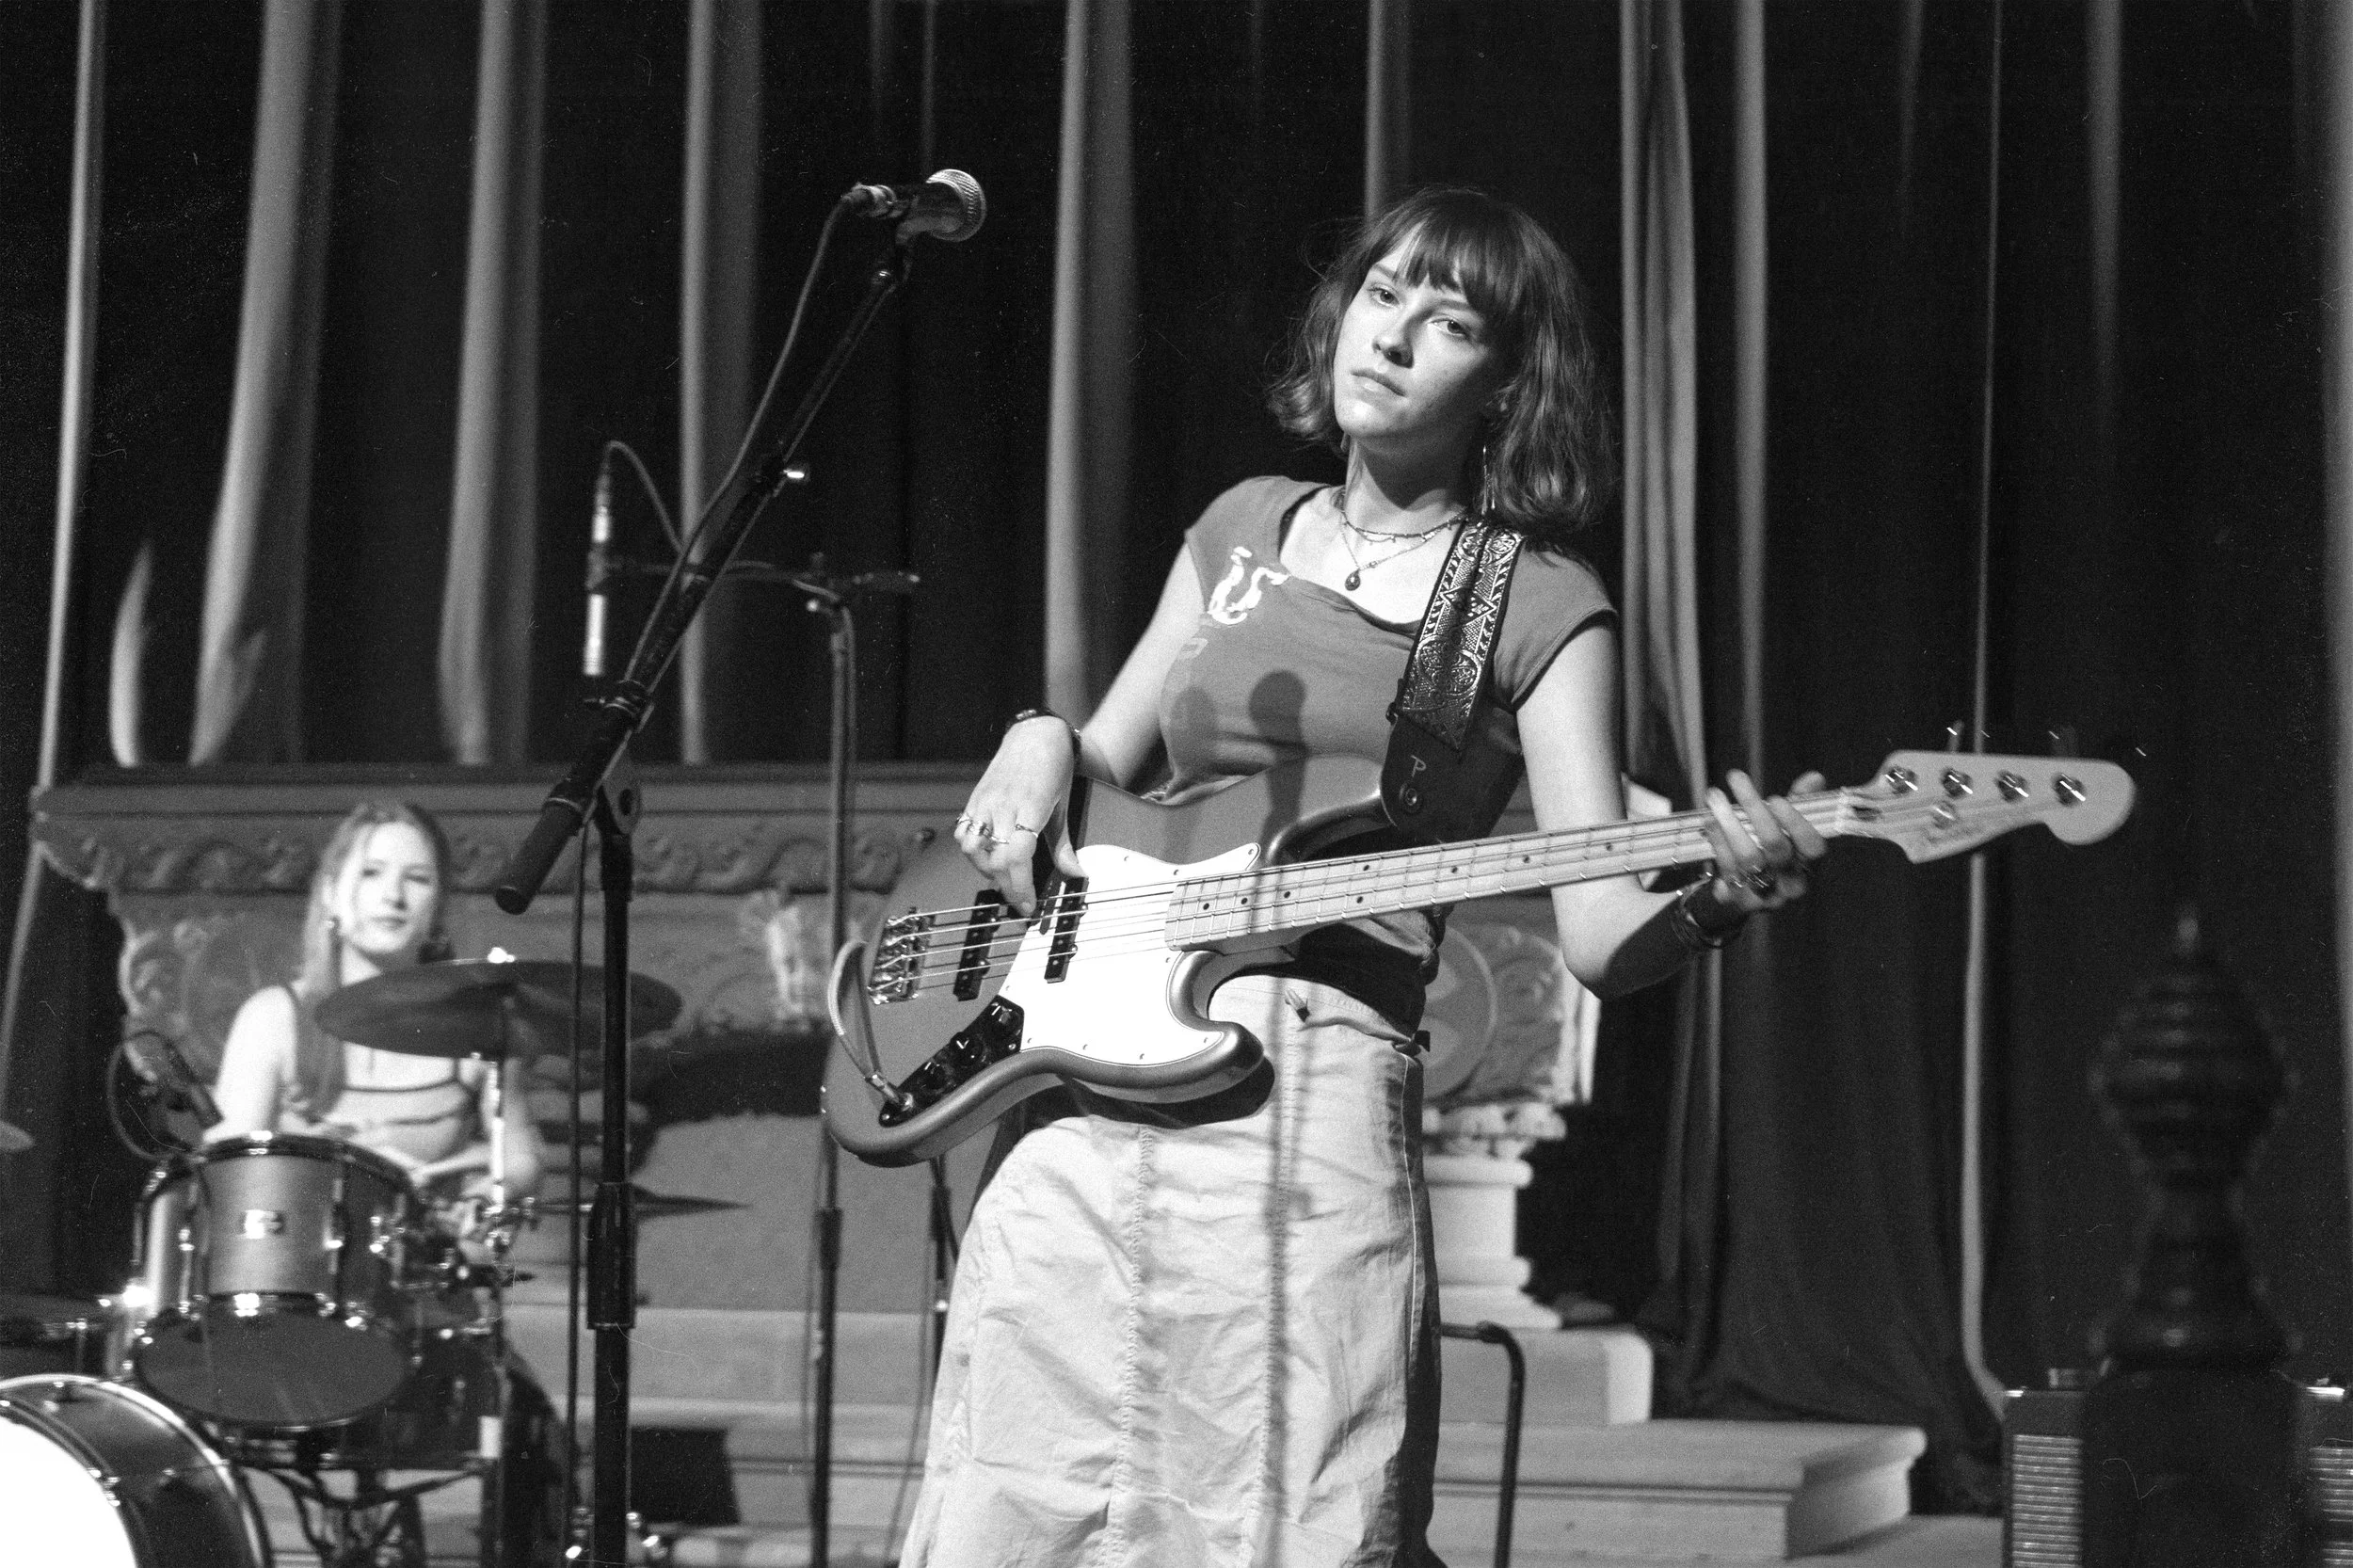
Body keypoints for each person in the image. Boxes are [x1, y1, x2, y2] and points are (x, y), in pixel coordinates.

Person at [898, 187, 1829, 1565]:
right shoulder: (1238, 525)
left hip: (1305, 1082)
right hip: (1087, 1074)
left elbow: (1597, 934)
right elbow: (1104, 753)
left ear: (1507, 383)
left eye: (1447, 322)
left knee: (1291, 1508)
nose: (1389, 335)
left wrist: (1716, 896)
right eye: (1383, 291)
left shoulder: (1538, 600)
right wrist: (1038, 740)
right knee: (1018, 1492)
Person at [209, 800, 545, 1201]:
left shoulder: (478, 1024)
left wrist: (484, 1197)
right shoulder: (272, 1018)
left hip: (425, 1238)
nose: (393, 896)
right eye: (371, 873)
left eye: (417, 879)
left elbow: (522, 1158)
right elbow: (230, 1170)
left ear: (438, 906)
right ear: (330, 894)